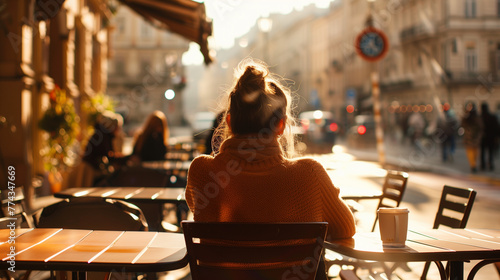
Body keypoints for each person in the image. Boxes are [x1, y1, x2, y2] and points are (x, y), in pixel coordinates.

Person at [185, 59, 356, 280]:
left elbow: (199, 211)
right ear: (281, 125)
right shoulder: (310, 174)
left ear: (228, 120)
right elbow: (345, 229)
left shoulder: (202, 171)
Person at [461, 102, 483, 173]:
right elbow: (480, 126)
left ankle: (473, 165)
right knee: (473, 151)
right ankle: (473, 165)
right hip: (473, 137)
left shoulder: (468, 117)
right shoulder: (474, 117)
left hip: (471, 137)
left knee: (472, 152)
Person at [480, 102, 499, 171]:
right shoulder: (492, 116)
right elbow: (497, 127)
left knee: (483, 152)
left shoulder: (480, 117)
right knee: (490, 152)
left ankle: (483, 165)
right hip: (491, 137)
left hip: (483, 137)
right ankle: (490, 164)